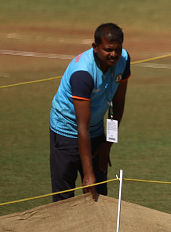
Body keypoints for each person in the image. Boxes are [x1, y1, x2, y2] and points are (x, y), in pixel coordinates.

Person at [49, 23, 131, 202]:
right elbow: (81, 126)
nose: (114, 55)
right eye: (108, 49)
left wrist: (108, 143)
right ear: (95, 47)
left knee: (99, 195)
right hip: (66, 130)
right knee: (64, 199)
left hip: (94, 130)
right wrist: (88, 173)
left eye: (118, 49)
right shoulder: (82, 74)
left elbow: (118, 104)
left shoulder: (123, 60)